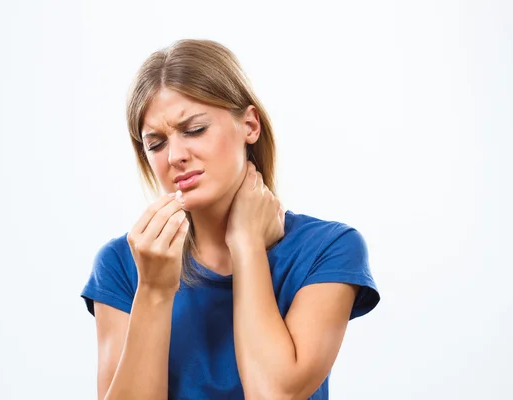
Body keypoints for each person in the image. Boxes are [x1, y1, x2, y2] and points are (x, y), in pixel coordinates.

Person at [80, 39, 380, 400]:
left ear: (250, 125)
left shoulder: (327, 249)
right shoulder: (123, 264)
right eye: (156, 144)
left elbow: (275, 395)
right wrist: (154, 292)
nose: (175, 156)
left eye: (194, 130)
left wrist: (247, 244)